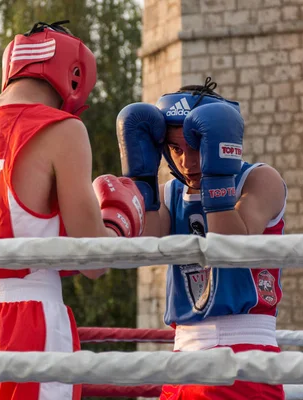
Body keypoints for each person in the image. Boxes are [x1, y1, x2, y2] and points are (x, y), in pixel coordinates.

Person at [0, 20, 145, 400]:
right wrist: (115, 227)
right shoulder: (62, 130)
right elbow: (94, 260)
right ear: (75, 76)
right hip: (32, 325)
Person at [116, 77, 287, 399]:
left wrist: (217, 176)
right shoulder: (170, 193)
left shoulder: (260, 179)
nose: (186, 161)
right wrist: (142, 183)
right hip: (183, 356)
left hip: (243, 352)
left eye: (196, 147)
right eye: (175, 149)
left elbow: (230, 245)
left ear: (221, 143)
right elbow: (138, 247)